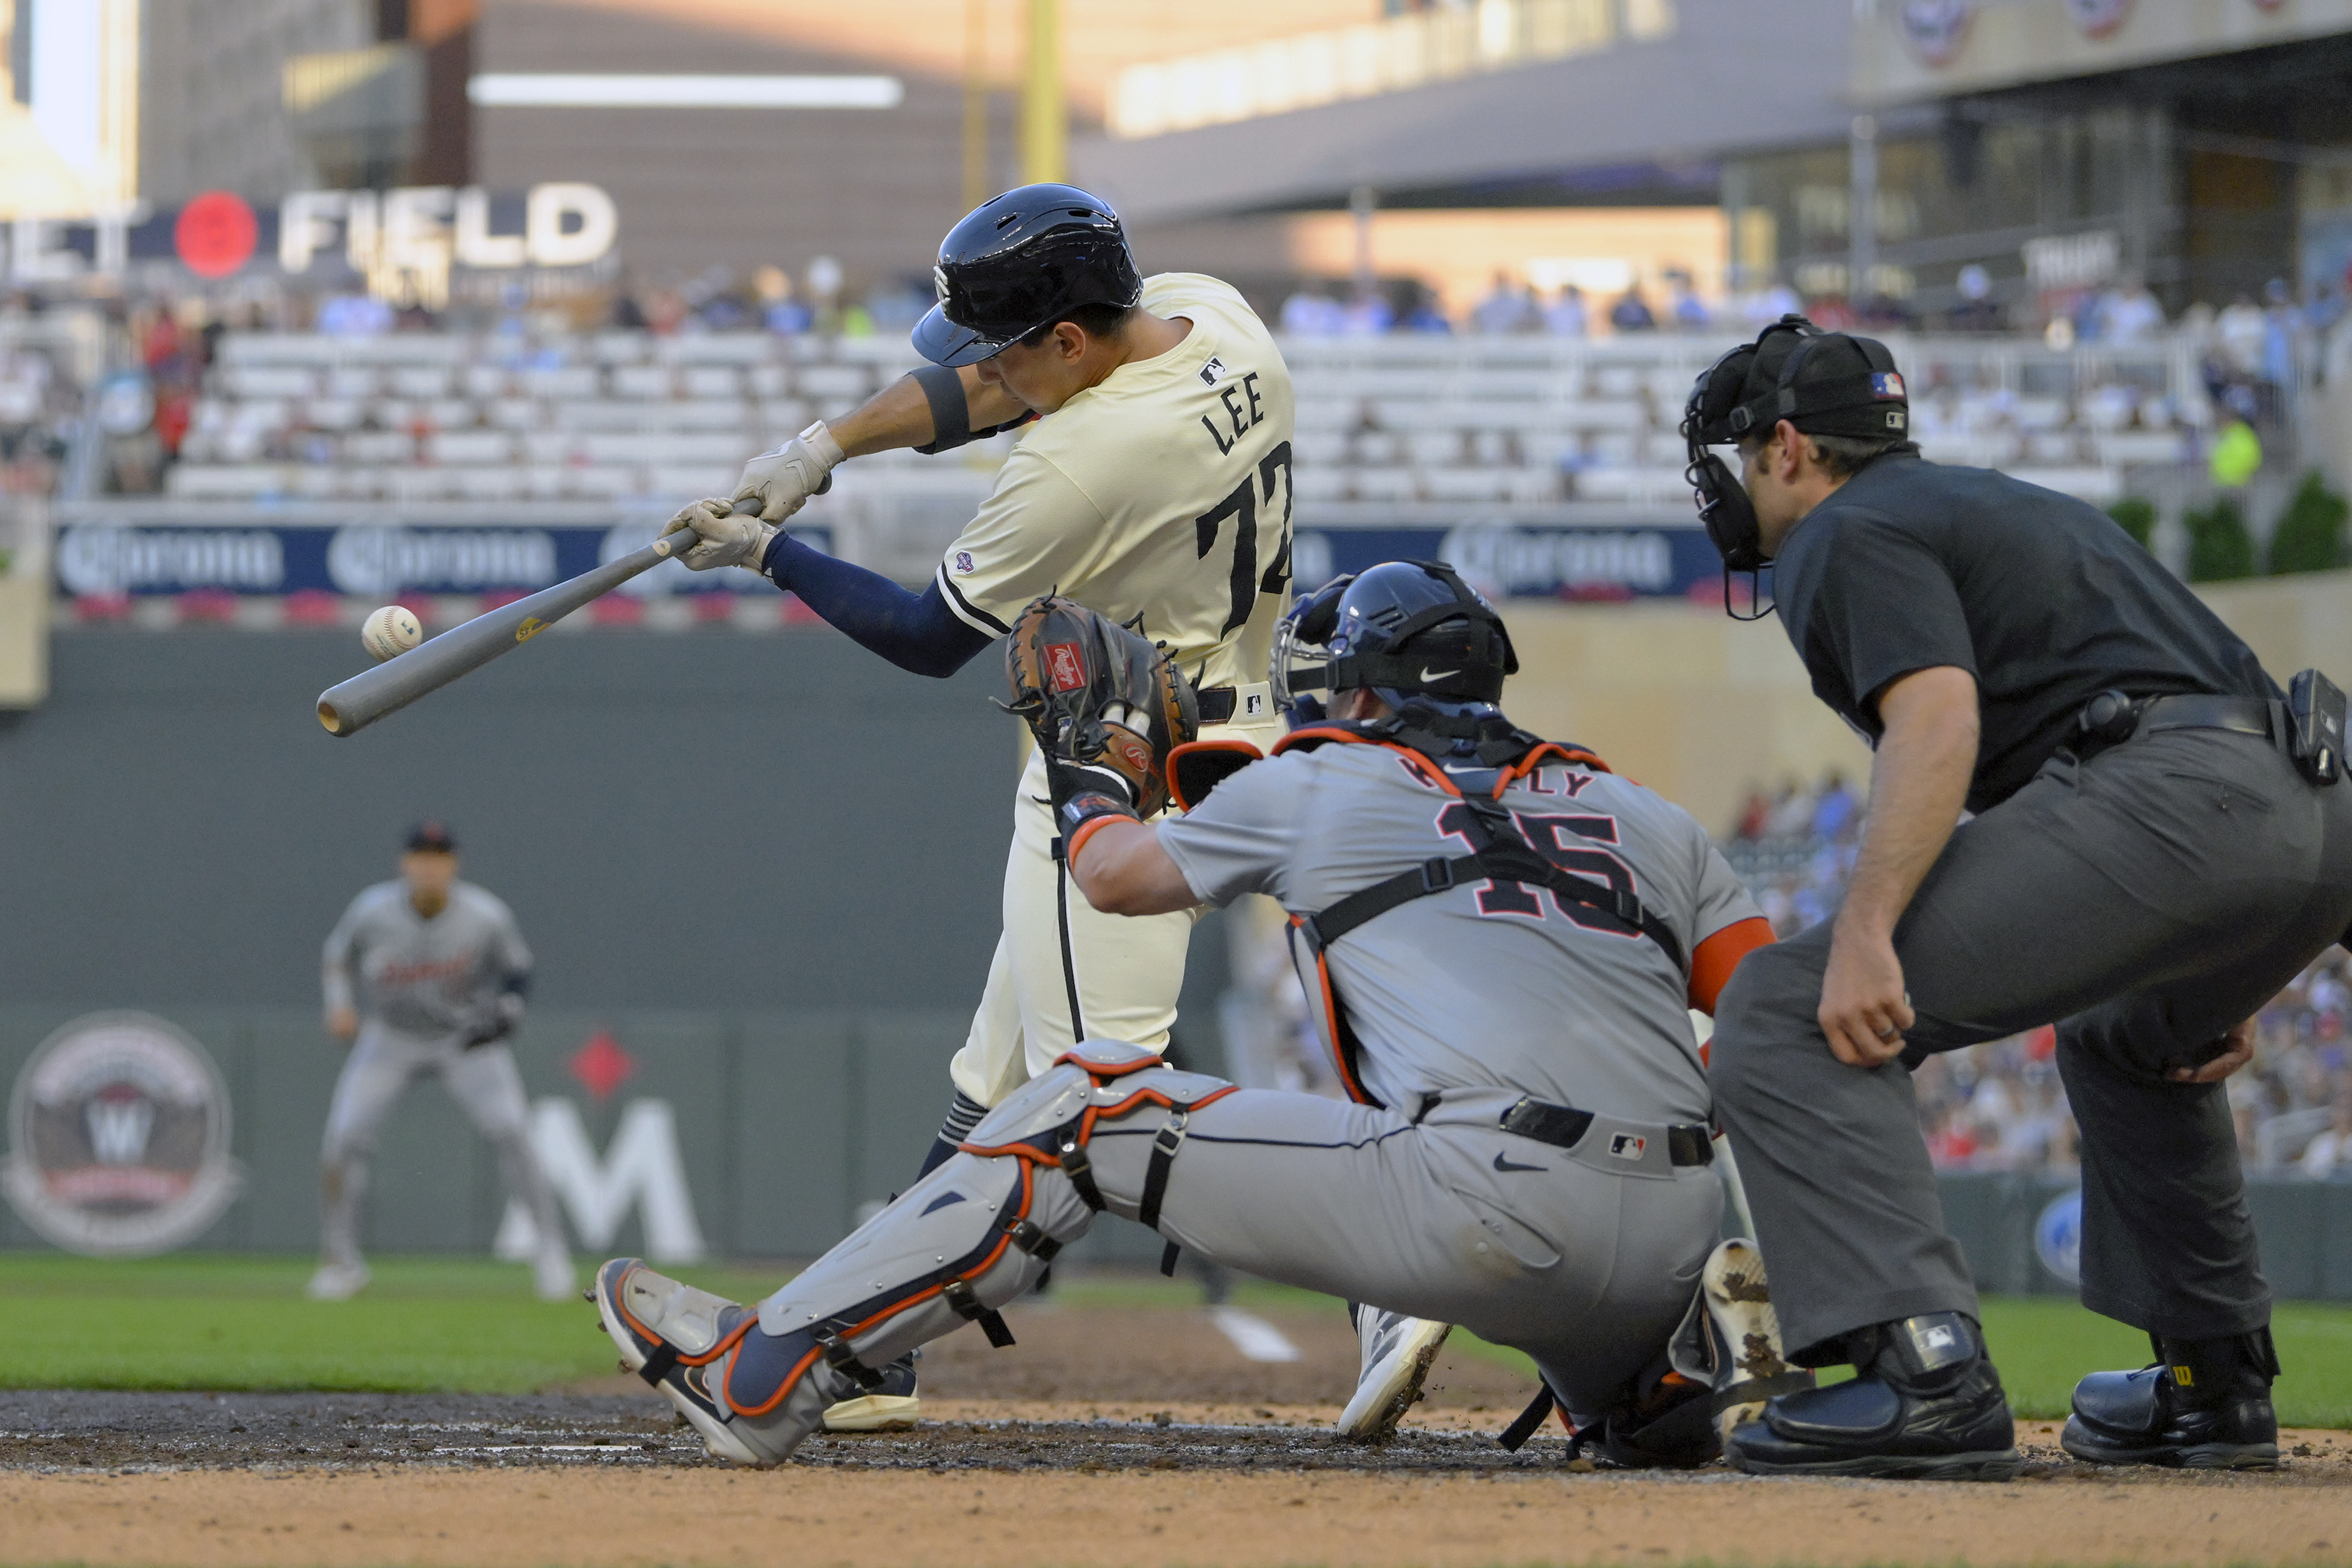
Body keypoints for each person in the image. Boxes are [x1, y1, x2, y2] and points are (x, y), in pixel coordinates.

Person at [589, 565, 1794, 1469]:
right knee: (1604, 1349)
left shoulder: (1322, 779)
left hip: (1484, 1199)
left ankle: (760, 1376)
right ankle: (1655, 1385)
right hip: (1680, 1215)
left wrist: (1091, 763)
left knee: (1086, 1101)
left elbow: (1112, 875)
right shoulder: (1647, 814)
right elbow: (1766, 1025)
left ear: (1359, 693)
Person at [656, 184, 1294, 1429]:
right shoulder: (1215, 319)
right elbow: (998, 386)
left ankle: (1386, 1260)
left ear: (1068, 341)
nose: (986, 374)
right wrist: (822, 449)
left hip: (1121, 774)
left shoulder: (1079, 460)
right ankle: (864, 1349)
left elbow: (921, 635)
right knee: (992, 1078)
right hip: (1239, 722)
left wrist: (769, 551)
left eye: (1008, 344)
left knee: (1095, 1115)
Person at [1681, 314, 2352, 1478]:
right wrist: (2232, 946)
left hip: (2180, 802)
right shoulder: (1998, 501)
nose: (1744, 490)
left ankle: (1922, 1375)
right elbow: (2212, 680)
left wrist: (1866, 932)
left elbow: (1937, 716)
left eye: (1745, 463)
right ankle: (2214, 1389)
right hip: (2306, 802)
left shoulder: (1840, 532)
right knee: (2131, 1039)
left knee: (1790, 1007)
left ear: (1786, 449)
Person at [313, 821, 571, 1302]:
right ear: (404, 864)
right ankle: (339, 1262)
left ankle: (550, 1252)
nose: (429, 867)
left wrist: (510, 1008)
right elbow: (336, 953)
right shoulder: (372, 911)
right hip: (391, 1038)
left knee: (514, 1132)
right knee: (343, 1138)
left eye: (439, 857)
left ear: (454, 865)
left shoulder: (485, 915)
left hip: (463, 1041)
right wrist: (339, 1004)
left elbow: (518, 970)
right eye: (420, 857)